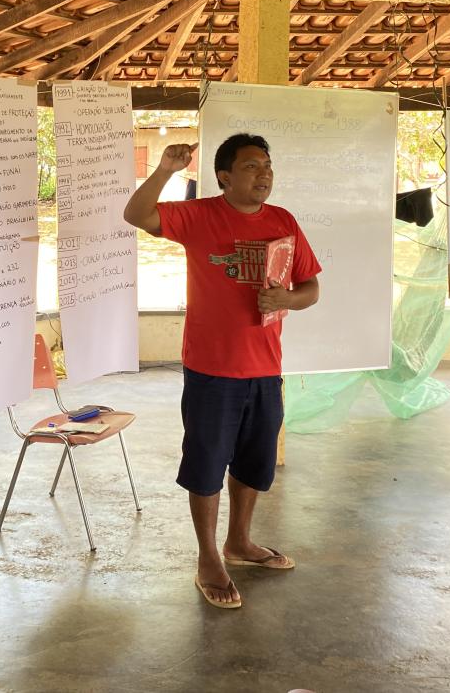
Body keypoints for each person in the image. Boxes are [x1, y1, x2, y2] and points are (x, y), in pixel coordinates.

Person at [123, 133, 321, 609]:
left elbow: (310, 287)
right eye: (252, 167)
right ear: (225, 177)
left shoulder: (283, 221)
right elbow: (136, 215)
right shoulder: (200, 216)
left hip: (265, 367)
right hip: (212, 369)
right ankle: (208, 556)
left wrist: (287, 299)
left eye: (268, 166)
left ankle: (239, 543)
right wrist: (168, 169)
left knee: (255, 462)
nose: (264, 175)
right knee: (207, 464)